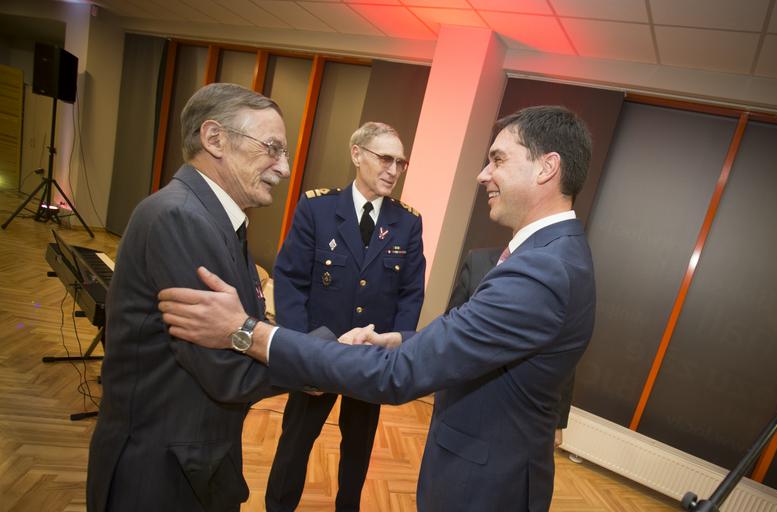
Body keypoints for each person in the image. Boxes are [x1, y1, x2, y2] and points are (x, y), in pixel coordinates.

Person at [159, 105, 596, 511]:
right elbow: (468, 340)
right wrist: (398, 341)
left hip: (485, 486)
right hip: (476, 463)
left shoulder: (539, 271)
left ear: (547, 167)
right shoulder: (551, 256)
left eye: (498, 159)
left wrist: (250, 332)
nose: (483, 174)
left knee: (357, 450)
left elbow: (401, 367)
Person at [86, 83, 293, 512]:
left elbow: (238, 331)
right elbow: (226, 370)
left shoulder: (215, 218)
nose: (284, 168)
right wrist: (324, 361)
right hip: (160, 475)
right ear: (214, 138)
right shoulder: (180, 216)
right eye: (272, 148)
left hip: (194, 461)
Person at [266, 122, 425, 512]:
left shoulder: (407, 222)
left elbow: (410, 294)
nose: (393, 170)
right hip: (319, 352)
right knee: (295, 443)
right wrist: (301, 349)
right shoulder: (317, 209)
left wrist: (394, 352)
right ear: (357, 154)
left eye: (400, 162)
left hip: (370, 359)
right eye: (385, 158)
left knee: (358, 448)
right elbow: (290, 279)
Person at [447, 247, 575, 448]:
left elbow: (563, 356)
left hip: (518, 417)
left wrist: (558, 422)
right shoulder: (477, 261)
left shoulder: (555, 278)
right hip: (461, 401)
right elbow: (449, 327)